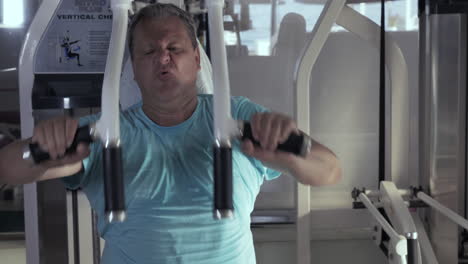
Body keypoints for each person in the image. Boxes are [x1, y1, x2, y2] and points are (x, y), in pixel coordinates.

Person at [0, 3, 341, 264]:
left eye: (174, 48)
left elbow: (329, 170)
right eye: (149, 51)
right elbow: (8, 167)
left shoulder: (237, 117)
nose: (162, 57)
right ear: (133, 70)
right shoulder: (109, 131)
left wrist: (293, 152)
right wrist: (42, 146)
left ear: (196, 59)